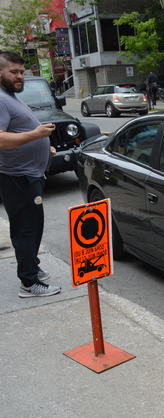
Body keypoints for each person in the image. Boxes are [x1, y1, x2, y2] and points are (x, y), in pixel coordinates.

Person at [0, 51, 61, 298]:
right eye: (13, 71)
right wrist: (36, 136)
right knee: (26, 229)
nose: (19, 76)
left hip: (28, 175)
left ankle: (32, 267)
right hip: (18, 178)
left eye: (22, 72)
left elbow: (18, 129)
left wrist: (46, 147)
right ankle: (29, 282)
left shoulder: (10, 97)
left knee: (34, 226)